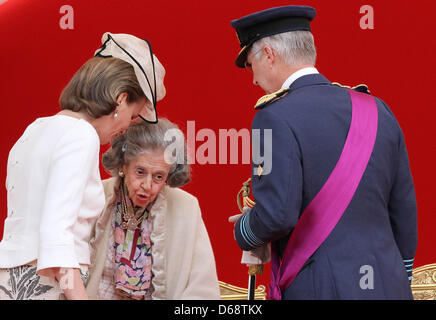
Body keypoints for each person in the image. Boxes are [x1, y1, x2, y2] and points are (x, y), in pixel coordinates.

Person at [229, 6, 418, 300]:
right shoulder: (377, 109)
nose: (253, 79)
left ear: (268, 54)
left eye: (251, 64)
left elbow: (277, 215)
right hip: (388, 284)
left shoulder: (272, 117)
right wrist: (397, 277)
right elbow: (404, 213)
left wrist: (244, 228)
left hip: (321, 288)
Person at [0, 32, 166, 300]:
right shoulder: (81, 134)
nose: (125, 128)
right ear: (121, 99)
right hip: (46, 286)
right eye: (132, 116)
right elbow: (56, 236)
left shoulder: (35, 129)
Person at [86, 119, 220, 300]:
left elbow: (202, 287)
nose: (148, 186)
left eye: (158, 176)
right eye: (140, 172)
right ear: (124, 166)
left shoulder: (186, 207)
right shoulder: (96, 197)